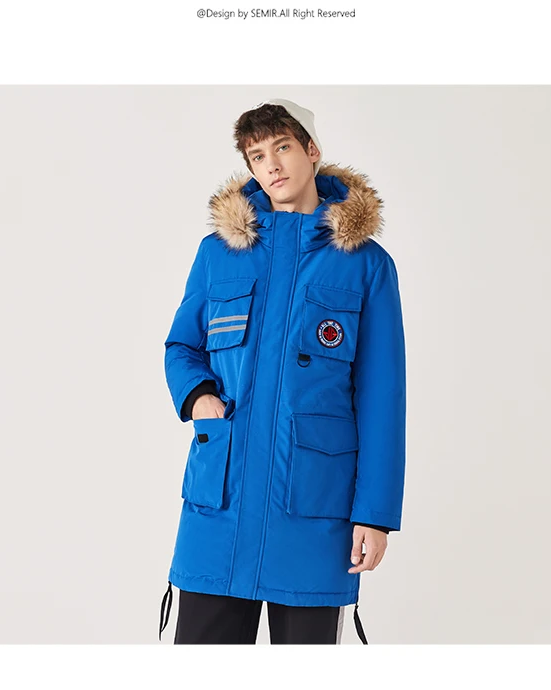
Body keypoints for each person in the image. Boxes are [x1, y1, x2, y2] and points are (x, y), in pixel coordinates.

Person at [158, 98, 407, 644]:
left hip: (313, 505)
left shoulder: (366, 265)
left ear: (312, 151)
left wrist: (375, 514)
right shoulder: (218, 253)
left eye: (283, 148)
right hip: (220, 503)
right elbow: (181, 346)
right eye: (257, 156)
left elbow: (382, 397)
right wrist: (199, 397)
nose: (271, 165)